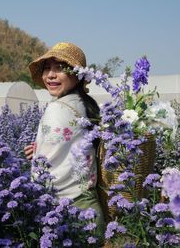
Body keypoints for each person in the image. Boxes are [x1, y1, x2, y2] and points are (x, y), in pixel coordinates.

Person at [24, 42, 105, 241]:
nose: (51, 75)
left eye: (60, 68)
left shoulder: (57, 109)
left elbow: (45, 174)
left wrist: (37, 161)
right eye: (47, 68)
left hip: (67, 218)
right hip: (91, 215)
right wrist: (39, 151)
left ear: (77, 75)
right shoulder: (85, 104)